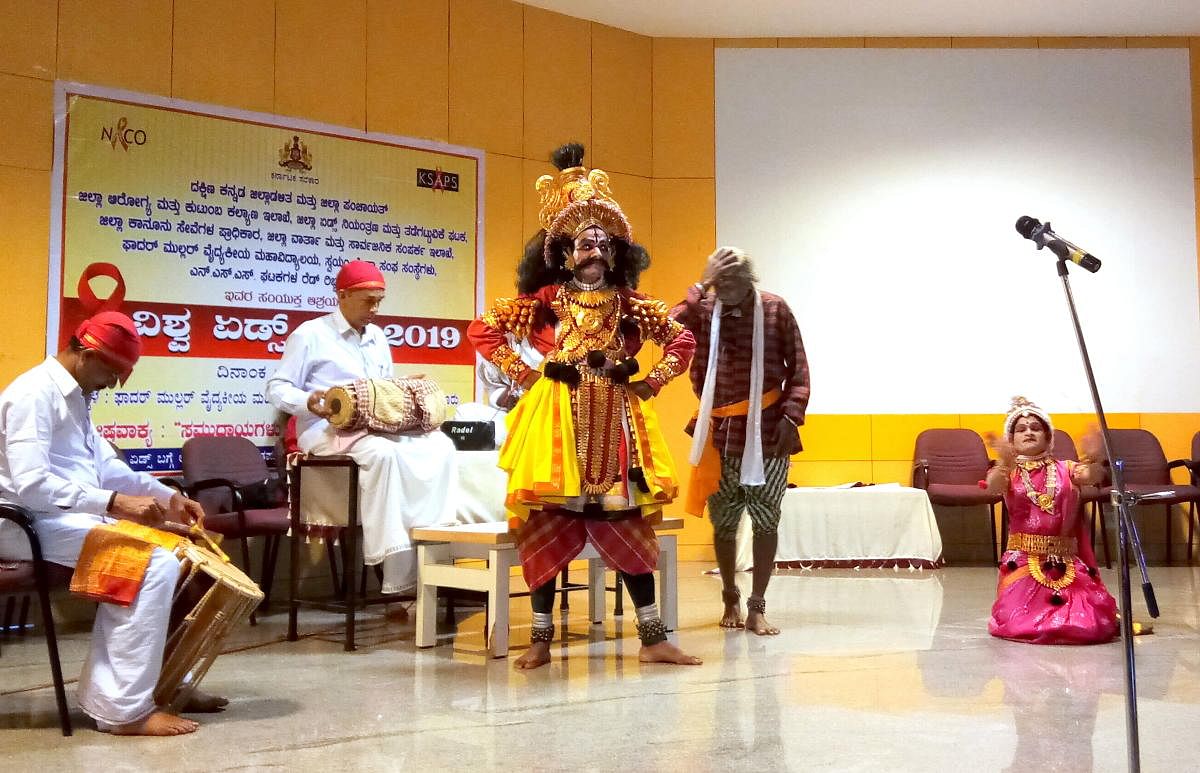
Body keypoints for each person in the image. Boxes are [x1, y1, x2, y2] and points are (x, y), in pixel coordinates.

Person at [468, 142, 701, 669]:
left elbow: (681, 341)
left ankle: (653, 637)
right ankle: (542, 640)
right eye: (582, 244)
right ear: (564, 254)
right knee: (548, 519)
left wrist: (650, 382)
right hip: (557, 427)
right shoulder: (547, 300)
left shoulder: (629, 303)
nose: (593, 251)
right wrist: (528, 373)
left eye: (602, 243)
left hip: (617, 427)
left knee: (627, 518)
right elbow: (483, 329)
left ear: (616, 253)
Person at [0, 311, 213, 735]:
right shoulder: (32, 395)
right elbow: (33, 486)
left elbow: (106, 466)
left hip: (60, 520)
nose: (115, 383)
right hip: (20, 526)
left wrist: (167, 496)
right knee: (152, 563)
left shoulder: (76, 395)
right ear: (86, 353)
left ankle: (163, 686)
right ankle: (123, 711)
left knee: (182, 554)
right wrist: (115, 504)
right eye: (113, 371)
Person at [265, 260, 457, 594]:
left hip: (372, 425)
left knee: (440, 446)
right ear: (342, 295)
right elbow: (276, 387)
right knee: (381, 453)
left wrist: (400, 386)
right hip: (324, 433)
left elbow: (378, 388)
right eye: (369, 300)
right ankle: (394, 565)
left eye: (379, 300)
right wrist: (309, 401)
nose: (376, 308)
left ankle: (436, 544)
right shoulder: (310, 334)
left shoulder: (378, 337)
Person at [671, 248, 810, 636]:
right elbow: (666, 326)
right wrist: (702, 282)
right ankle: (730, 596)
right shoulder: (705, 308)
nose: (726, 289)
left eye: (733, 281)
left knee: (767, 520)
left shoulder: (774, 309)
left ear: (751, 281)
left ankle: (757, 606)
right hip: (717, 434)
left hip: (768, 433)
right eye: (720, 281)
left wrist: (790, 416)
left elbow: (799, 371)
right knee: (724, 522)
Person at [982, 396, 1118, 644]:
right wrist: (1002, 462)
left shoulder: (1066, 468)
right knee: (1019, 622)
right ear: (1011, 440)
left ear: (1048, 437)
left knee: (1087, 622)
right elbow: (993, 487)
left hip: (1064, 560)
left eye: (1036, 428)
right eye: (1021, 429)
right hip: (1023, 561)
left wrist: (1094, 458)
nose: (1029, 432)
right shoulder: (1008, 472)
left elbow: (1091, 476)